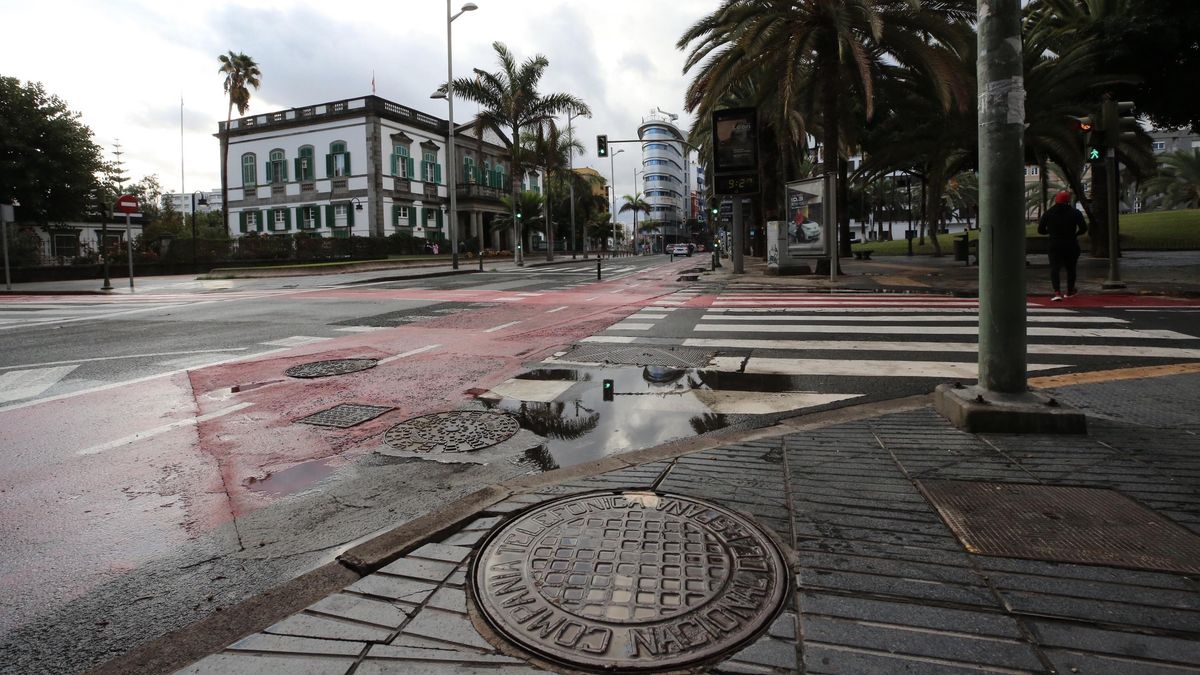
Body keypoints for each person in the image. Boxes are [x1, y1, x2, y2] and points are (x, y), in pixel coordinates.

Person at [1038, 190, 1087, 301]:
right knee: (1071, 268)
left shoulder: (1049, 213)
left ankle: (1057, 292)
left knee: (1055, 268)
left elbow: (1040, 230)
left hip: (1054, 244)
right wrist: (1075, 234)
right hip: (1070, 244)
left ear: (1056, 200)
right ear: (1068, 201)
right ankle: (1070, 291)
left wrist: (1050, 232)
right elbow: (1083, 228)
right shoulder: (1075, 212)